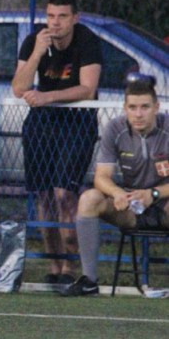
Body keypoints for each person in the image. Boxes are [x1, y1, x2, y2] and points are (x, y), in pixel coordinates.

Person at [11, 0, 102, 286]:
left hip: (77, 121)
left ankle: (71, 268)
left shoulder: (86, 41)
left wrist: (47, 96)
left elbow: (87, 88)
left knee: (65, 194)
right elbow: (18, 88)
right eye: (51, 16)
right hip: (42, 123)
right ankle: (54, 265)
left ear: (75, 18)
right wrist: (37, 53)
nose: (56, 23)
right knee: (45, 195)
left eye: (62, 16)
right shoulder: (35, 41)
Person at [64, 76, 169, 296]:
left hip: (164, 203)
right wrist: (118, 193)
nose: (138, 114)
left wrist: (153, 193)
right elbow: (101, 177)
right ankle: (89, 281)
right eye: (132, 107)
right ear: (125, 108)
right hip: (132, 207)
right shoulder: (115, 128)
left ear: (156, 107)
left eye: (144, 107)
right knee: (89, 199)